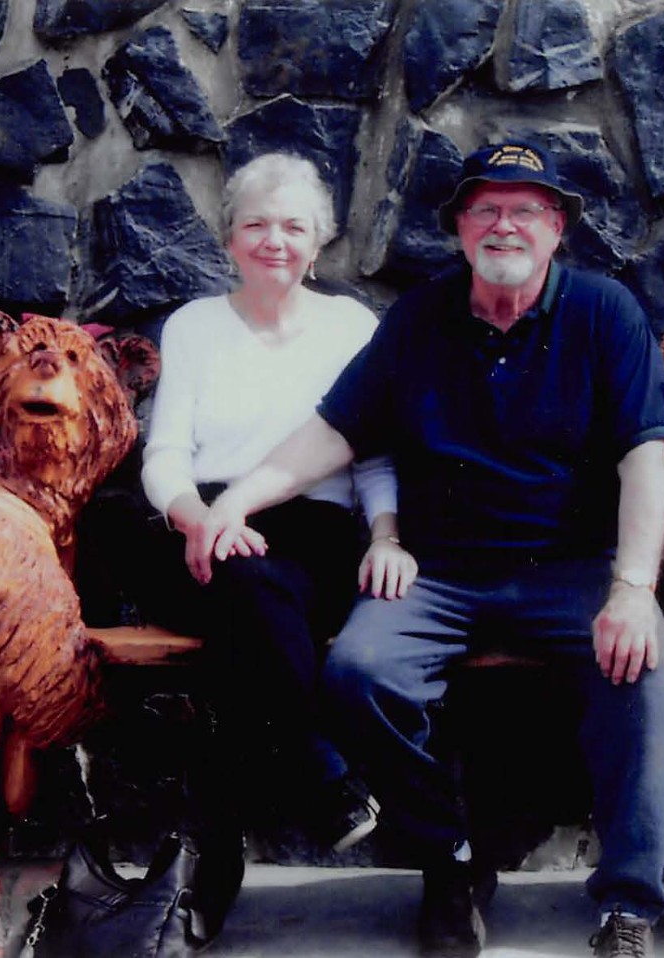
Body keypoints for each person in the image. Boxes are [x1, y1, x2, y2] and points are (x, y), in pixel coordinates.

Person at [189, 140, 664, 958]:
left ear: (557, 227)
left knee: (643, 669)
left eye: (525, 210)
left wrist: (631, 589)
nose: (504, 225)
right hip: (440, 572)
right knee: (357, 675)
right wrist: (237, 499)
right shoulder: (420, 317)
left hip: (571, 571)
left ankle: (629, 907)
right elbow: (335, 431)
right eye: (485, 208)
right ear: (459, 227)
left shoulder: (605, 314)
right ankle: (449, 851)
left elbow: (645, 459)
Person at [134, 152, 417, 935]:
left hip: (313, 535)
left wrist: (386, 534)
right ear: (230, 239)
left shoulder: (352, 328)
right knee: (244, 589)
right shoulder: (193, 327)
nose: (275, 241)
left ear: (317, 243)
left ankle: (219, 860)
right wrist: (196, 518)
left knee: (248, 620)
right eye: (256, 225)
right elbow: (164, 456)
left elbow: (374, 455)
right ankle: (319, 768)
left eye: (293, 226)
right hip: (200, 528)